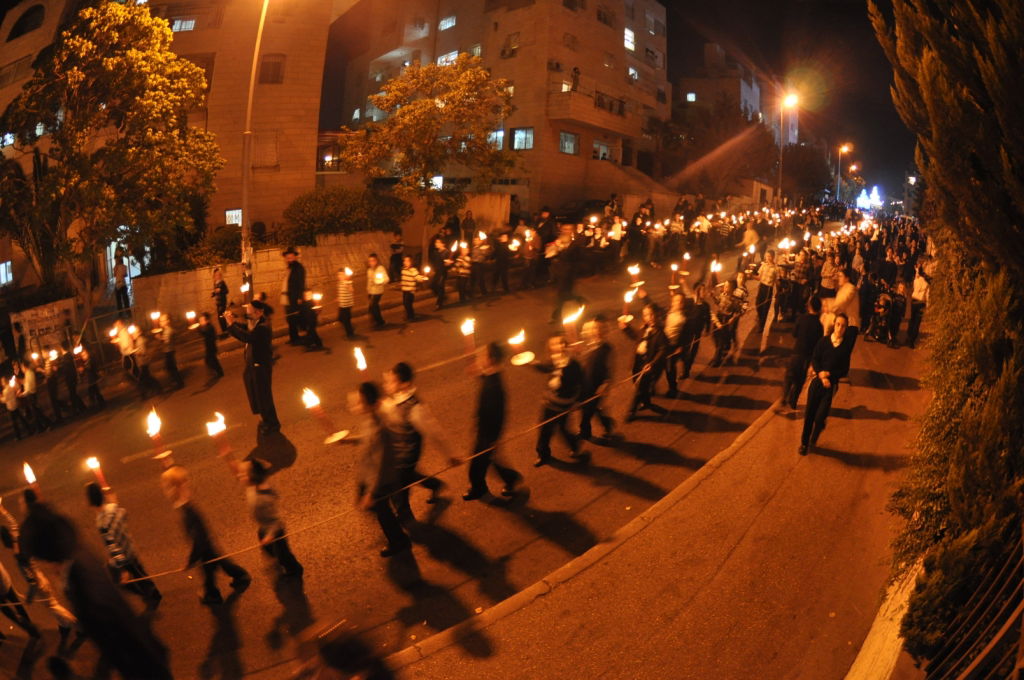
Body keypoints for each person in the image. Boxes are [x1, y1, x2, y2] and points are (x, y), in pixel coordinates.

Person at [20, 502, 170, 678]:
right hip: (147, 654)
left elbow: (111, 639)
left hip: (142, 666)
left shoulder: (80, 587)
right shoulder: (80, 554)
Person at [161, 465, 251, 605]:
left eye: (167, 486)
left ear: (176, 488)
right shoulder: (184, 504)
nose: (165, 490)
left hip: (203, 546)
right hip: (206, 545)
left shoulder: (187, 511)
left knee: (208, 567)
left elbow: (199, 539)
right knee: (216, 562)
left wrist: (191, 560)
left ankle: (213, 593)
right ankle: (238, 576)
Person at [380, 362, 449, 523]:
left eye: (391, 381)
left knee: (399, 491)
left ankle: (407, 522)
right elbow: (390, 409)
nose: (386, 385)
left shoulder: (415, 408)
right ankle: (434, 485)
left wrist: (450, 455)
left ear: (405, 384)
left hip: (407, 455)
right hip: (398, 453)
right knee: (409, 476)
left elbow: (435, 432)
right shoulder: (398, 399)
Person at [218, 450, 304, 578]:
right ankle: (274, 556)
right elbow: (237, 470)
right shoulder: (252, 485)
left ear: (252, 478)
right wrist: (227, 455)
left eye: (243, 475)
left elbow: (275, 521)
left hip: (274, 530)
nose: (239, 476)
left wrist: (270, 536)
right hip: (263, 526)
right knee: (267, 547)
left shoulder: (264, 499)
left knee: (283, 553)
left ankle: (294, 569)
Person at [352, 381, 411, 557]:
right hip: (371, 477)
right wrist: (350, 440)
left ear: (371, 404)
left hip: (380, 480)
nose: (358, 405)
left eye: (361, 401)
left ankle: (399, 541)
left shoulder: (381, 426)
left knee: (383, 512)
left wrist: (371, 492)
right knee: (374, 507)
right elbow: (367, 439)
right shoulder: (371, 419)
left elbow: (381, 463)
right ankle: (397, 531)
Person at [85, 482, 162, 607]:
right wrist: (113, 503)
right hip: (130, 548)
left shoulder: (101, 523)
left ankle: (148, 596)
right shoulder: (115, 509)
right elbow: (124, 514)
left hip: (122, 557)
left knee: (120, 581)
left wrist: (123, 569)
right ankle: (154, 594)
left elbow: (112, 545)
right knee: (140, 573)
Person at [464, 342, 522, 500]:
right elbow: (483, 375)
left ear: (491, 359)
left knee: (477, 465)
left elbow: (498, 414)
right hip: (485, 432)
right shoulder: (491, 375)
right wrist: (476, 371)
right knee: (489, 460)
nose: (479, 358)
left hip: (488, 433)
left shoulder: (494, 386)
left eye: (482, 355)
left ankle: (479, 487)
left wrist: (493, 439)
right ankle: (510, 479)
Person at [799, 313, 856, 454]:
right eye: (838, 324)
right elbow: (815, 358)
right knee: (809, 415)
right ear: (834, 325)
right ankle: (804, 443)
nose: (840, 328)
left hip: (830, 386)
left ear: (846, 328)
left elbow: (844, 370)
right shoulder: (824, 341)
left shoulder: (845, 348)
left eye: (843, 326)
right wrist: (820, 373)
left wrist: (829, 375)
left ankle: (817, 432)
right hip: (817, 383)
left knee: (819, 417)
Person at [532, 334, 588, 467]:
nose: (561, 346)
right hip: (549, 401)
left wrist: (578, 402)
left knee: (562, 427)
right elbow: (545, 367)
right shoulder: (553, 360)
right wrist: (531, 363)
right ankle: (543, 454)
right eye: (556, 344)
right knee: (545, 428)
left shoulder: (572, 363)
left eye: (563, 343)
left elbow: (580, 382)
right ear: (550, 348)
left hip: (563, 403)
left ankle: (574, 445)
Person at [225, 300, 280, 433]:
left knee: (264, 396)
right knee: (255, 394)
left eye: (250, 312)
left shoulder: (263, 326)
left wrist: (232, 325)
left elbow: (247, 336)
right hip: (252, 366)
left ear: (259, 312)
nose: (247, 315)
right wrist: (231, 322)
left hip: (260, 366)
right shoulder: (255, 322)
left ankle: (272, 424)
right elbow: (245, 328)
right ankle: (265, 418)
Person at [621, 302, 669, 421]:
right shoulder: (645, 328)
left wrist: (652, 363)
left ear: (657, 315)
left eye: (652, 314)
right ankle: (647, 402)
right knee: (637, 383)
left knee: (640, 387)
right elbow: (635, 336)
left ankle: (631, 411)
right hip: (638, 362)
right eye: (647, 315)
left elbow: (662, 350)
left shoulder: (660, 333)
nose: (650, 317)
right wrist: (626, 328)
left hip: (648, 364)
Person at [781, 297, 824, 412]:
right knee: (800, 380)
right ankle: (793, 401)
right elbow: (818, 344)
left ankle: (784, 397)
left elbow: (794, 334)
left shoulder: (801, 319)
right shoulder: (819, 325)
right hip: (807, 357)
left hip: (796, 353)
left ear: (809, 306)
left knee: (789, 376)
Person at [578, 317, 616, 441]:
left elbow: (610, 368)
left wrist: (606, 384)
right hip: (585, 383)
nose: (597, 331)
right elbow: (583, 363)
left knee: (589, 410)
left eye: (600, 328)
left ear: (605, 330)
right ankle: (606, 424)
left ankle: (585, 431)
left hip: (598, 385)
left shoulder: (607, 348)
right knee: (589, 408)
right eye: (594, 328)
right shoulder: (587, 346)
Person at [282, 247, 308, 346]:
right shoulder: (289, 268)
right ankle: (293, 338)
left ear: (295, 257)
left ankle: (298, 338)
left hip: (294, 298)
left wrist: (300, 297)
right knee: (290, 319)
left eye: (291, 257)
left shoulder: (299, 268)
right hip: (287, 297)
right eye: (287, 258)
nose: (289, 260)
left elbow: (301, 283)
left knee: (294, 318)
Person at [754, 250, 781, 331]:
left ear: (773, 257)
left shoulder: (776, 268)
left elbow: (777, 280)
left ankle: (761, 326)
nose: (767, 258)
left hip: (768, 288)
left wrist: (779, 290)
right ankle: (760, 319)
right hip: (762, 286)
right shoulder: (763, 266)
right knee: (757, 304)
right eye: (767, 256)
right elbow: (759, 277)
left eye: (769, 256)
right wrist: (751, 275)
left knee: (765, 307)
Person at [157, 313, 185, 390]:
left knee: (171, 368)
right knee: (171, 368)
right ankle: (177, 382)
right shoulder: (166, 330)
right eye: (160, 321)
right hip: (168, 351)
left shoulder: (168, 330)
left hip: (169, 351)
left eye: (162, 321)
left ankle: (179, 383)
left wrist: (159, 338)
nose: (160, 322)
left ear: (167, 321)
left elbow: (167, 341)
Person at [197, 311, 224, 381]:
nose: (200, 322)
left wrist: (198, 328)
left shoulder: (209, 327)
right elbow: (203, 334)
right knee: (212, 360)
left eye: (202, 320)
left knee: (210, 360)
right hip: (210, 347)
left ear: (207, 320)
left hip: (211, 347)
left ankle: (218, 372)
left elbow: (204, 333)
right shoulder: (207, 327)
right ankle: (218, 372)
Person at [907, 266, 930, 349]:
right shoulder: (927, 284)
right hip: (921, 302)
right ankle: (912, 341)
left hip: (914, 301)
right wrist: (927, 305)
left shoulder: (916, 281)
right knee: (917, 323)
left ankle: (908, 336)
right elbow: (927, 296)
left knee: (911, 320)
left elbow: (915, 287)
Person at [3, 374, 31, 439]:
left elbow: (5, 400)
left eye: (2, 382)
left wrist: (0, 398)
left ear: (4, 382)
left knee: (14, 422)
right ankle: (28, 429)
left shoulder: (5, 391)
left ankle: (18, 436)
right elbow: (18, 389)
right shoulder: (11, 387)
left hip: (10, 407)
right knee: (21, 418)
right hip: (15, 405)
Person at [366, 253, 389, 328]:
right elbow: (369, 281)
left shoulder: (380, 269)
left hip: (378, 291)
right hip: (371, 291)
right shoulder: (369, 270)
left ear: (376, 261)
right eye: (370, 261)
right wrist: (368, 290)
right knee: (373, 306)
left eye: (373, 260)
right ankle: (376, 320)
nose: (371, 262)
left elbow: (387, 279)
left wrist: (380, 281)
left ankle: (380, 321)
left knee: (374, 305)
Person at [428, 238, 451, 310]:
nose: (436, 244)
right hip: (437, 272)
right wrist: (432, 270)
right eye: (435, 242)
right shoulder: (436, 252)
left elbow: (449, 262)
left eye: (438, 242)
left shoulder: (446, 252)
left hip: (443, 272)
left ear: (443, 244)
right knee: (432, 285)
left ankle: (439, 303)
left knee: (440, 286)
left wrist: (448, 264)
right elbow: (434, 262)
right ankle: (442, 297)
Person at [399, 255, 422, 322]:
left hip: (410, 290)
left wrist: (421, 279)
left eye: (407, 261)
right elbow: (403, 279)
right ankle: (409, 315)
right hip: (404, 290)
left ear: (411, 262)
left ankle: (411, 316)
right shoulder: (403, 269)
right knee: (405, 303)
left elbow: (417, 277)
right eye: (404, 261)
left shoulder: (413, 270)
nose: (405, 262)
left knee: (407, 303)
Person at [337, 266, 356, 338]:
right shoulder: (340, 282)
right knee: (340, 318)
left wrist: (349, 286)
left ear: (345, 275)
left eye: (341, 274)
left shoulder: (347, 282)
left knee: (346, 320)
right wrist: (339, 297)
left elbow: (351, 290)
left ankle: (350, 333)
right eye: (338, 274)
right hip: (342, 304)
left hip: (347, 305)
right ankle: (350, 328)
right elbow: (341, 291)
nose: (339, 276)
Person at [212, 267, 229, 334]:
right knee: (220, 316)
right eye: (216, 275)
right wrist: (213, 294)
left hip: (223, 301)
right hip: (218, 302)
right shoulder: (215, 283)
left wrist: (221, 290)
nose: (217, 276)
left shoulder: (222, 282)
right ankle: (224, 330)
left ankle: (225, 330)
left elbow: (227, 291)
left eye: (218, 274)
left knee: (221, 316)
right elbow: (216, 292)